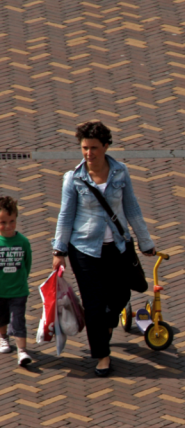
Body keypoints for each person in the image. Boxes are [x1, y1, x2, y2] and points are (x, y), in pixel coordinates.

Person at [52, 121, 155, 377]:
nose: (89, 153)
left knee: (121, 294)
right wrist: (59, 251)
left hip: (118, 246)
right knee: (94, 304)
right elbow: (65, 216)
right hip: (84, 249)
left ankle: (107, 326)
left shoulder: (120, 172)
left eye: (94, 148)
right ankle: (102, 355)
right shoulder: (73, 179)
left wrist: (145, 242)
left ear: (106, 146)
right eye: (85, 148)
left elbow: (132, 208)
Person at [0, 196, 33, 366]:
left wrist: (21, 280)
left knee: (18, 320)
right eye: (3, 222)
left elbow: (27, 263)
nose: (7, 226)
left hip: (19, 291)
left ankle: (22, 351)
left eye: (11, 221)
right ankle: (3, 337)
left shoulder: (23, 242)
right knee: (2, 318)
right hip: (0, 291)